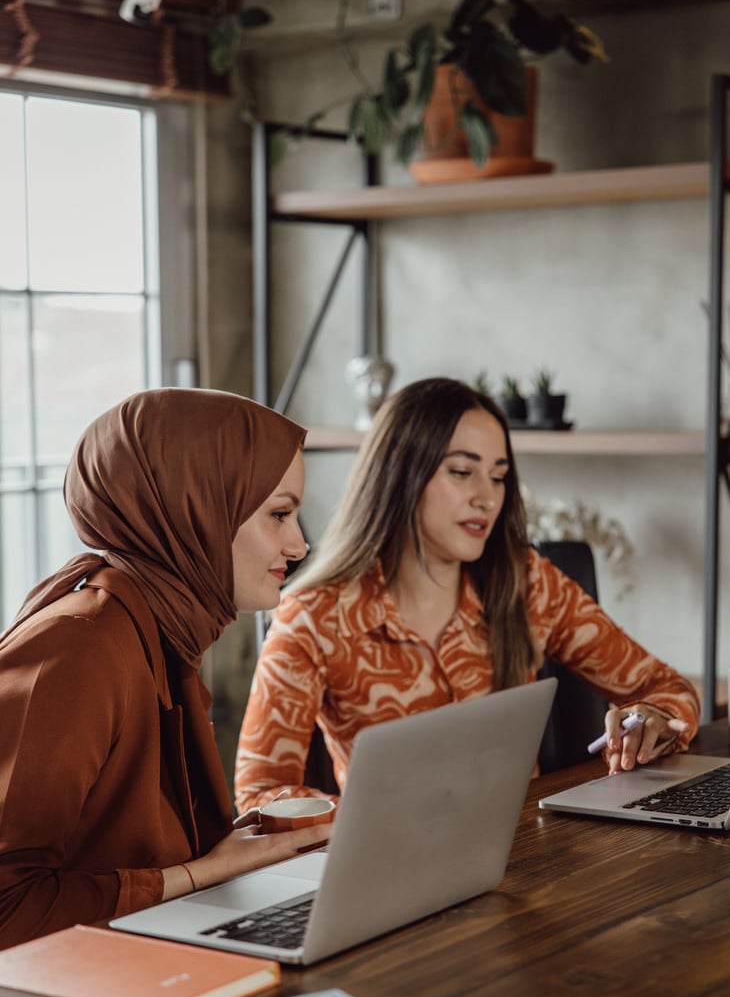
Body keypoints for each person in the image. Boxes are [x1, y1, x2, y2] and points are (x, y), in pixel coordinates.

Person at [234, 376, 700, 813]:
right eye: (462, 472)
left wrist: (653, 721)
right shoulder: (313, 616)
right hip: (391, 874)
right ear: (400, 474)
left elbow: (669, 691)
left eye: (497, 476)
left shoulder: (528, 583)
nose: (487, 497)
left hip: (533, 857)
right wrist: (361, 826)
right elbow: (260, 797)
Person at [0, 387, 328, 950]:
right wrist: (203, 873)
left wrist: (232, 853)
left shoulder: (162, 629)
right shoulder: (81, 648)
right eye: (279, 514)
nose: (299, 545)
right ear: (194, 510)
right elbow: (7, 908)